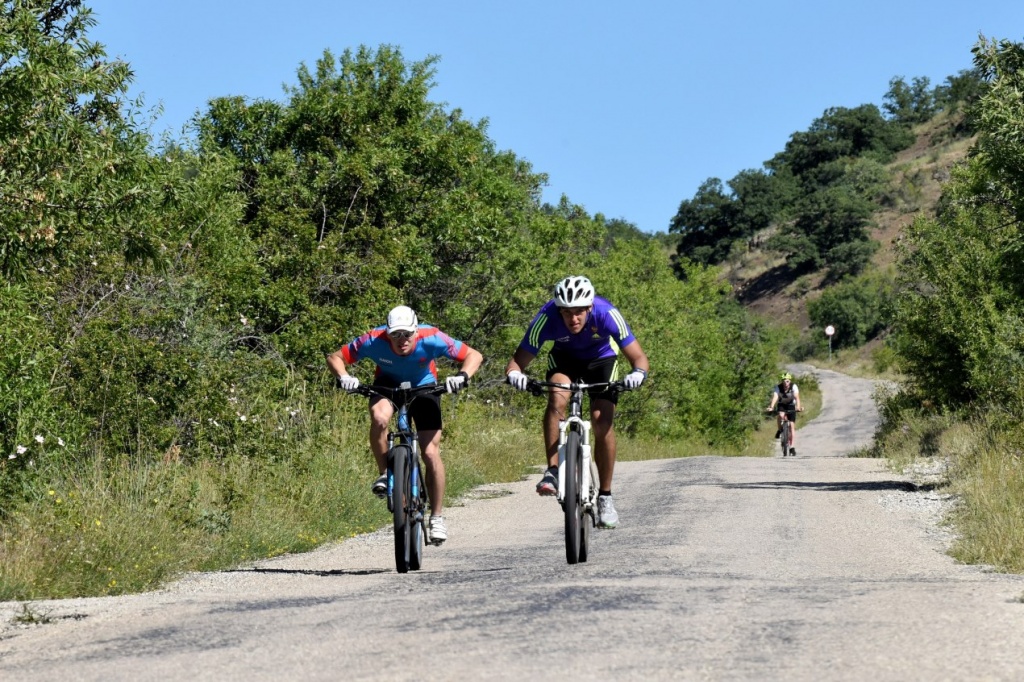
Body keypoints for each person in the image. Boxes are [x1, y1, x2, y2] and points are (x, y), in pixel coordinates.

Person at [326, 305, 483, 544]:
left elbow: (474, 355)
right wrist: (344, 377)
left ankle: (437, 517)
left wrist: (462, 376)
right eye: (395, 335)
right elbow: (335, 357)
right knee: (379, 419)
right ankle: (386, 473)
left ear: (416, 331)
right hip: (387, 386)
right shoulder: (372, 339)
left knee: (430, 453)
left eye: (407, 334)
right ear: (386, 333)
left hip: (425, 386)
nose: (402, 340)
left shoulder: (432, 337)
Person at [504, 275, 649, 529]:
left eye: (580, 312)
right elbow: (517, 361)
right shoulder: (546, 317)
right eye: (567, 313)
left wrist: (638, 374)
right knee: (557, 399)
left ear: (590, 308)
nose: (573, 319)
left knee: (600, 420)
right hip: (564, 361)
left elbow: (639, 358)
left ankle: (605, 496)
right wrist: (515, 375)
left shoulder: (607, 314)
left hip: (602, 361)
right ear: (559, 310)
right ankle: (553, 470)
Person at [766, 372, 803, 454]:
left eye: (787, 381)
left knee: (792, 426)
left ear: (790, 381)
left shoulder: (794, 386)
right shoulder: (778, 387)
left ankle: (792, 447)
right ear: (782, 381)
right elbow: (775, 397)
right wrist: (771, 407)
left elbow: (797, 397)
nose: (786, 383)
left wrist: (798, 407)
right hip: (782, 404)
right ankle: (780, 430)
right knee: (780, 415)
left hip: (791, 405)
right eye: (784, 381)